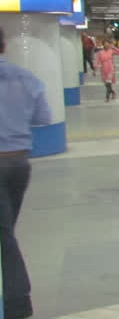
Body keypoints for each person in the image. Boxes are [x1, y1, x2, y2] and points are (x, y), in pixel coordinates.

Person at [0, 27, 52, 319]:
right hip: (19, 164)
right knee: (6, 231)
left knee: (4, 236)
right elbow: (43, 117)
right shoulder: (27, 78)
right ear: (4, 45)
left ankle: (17, 302)